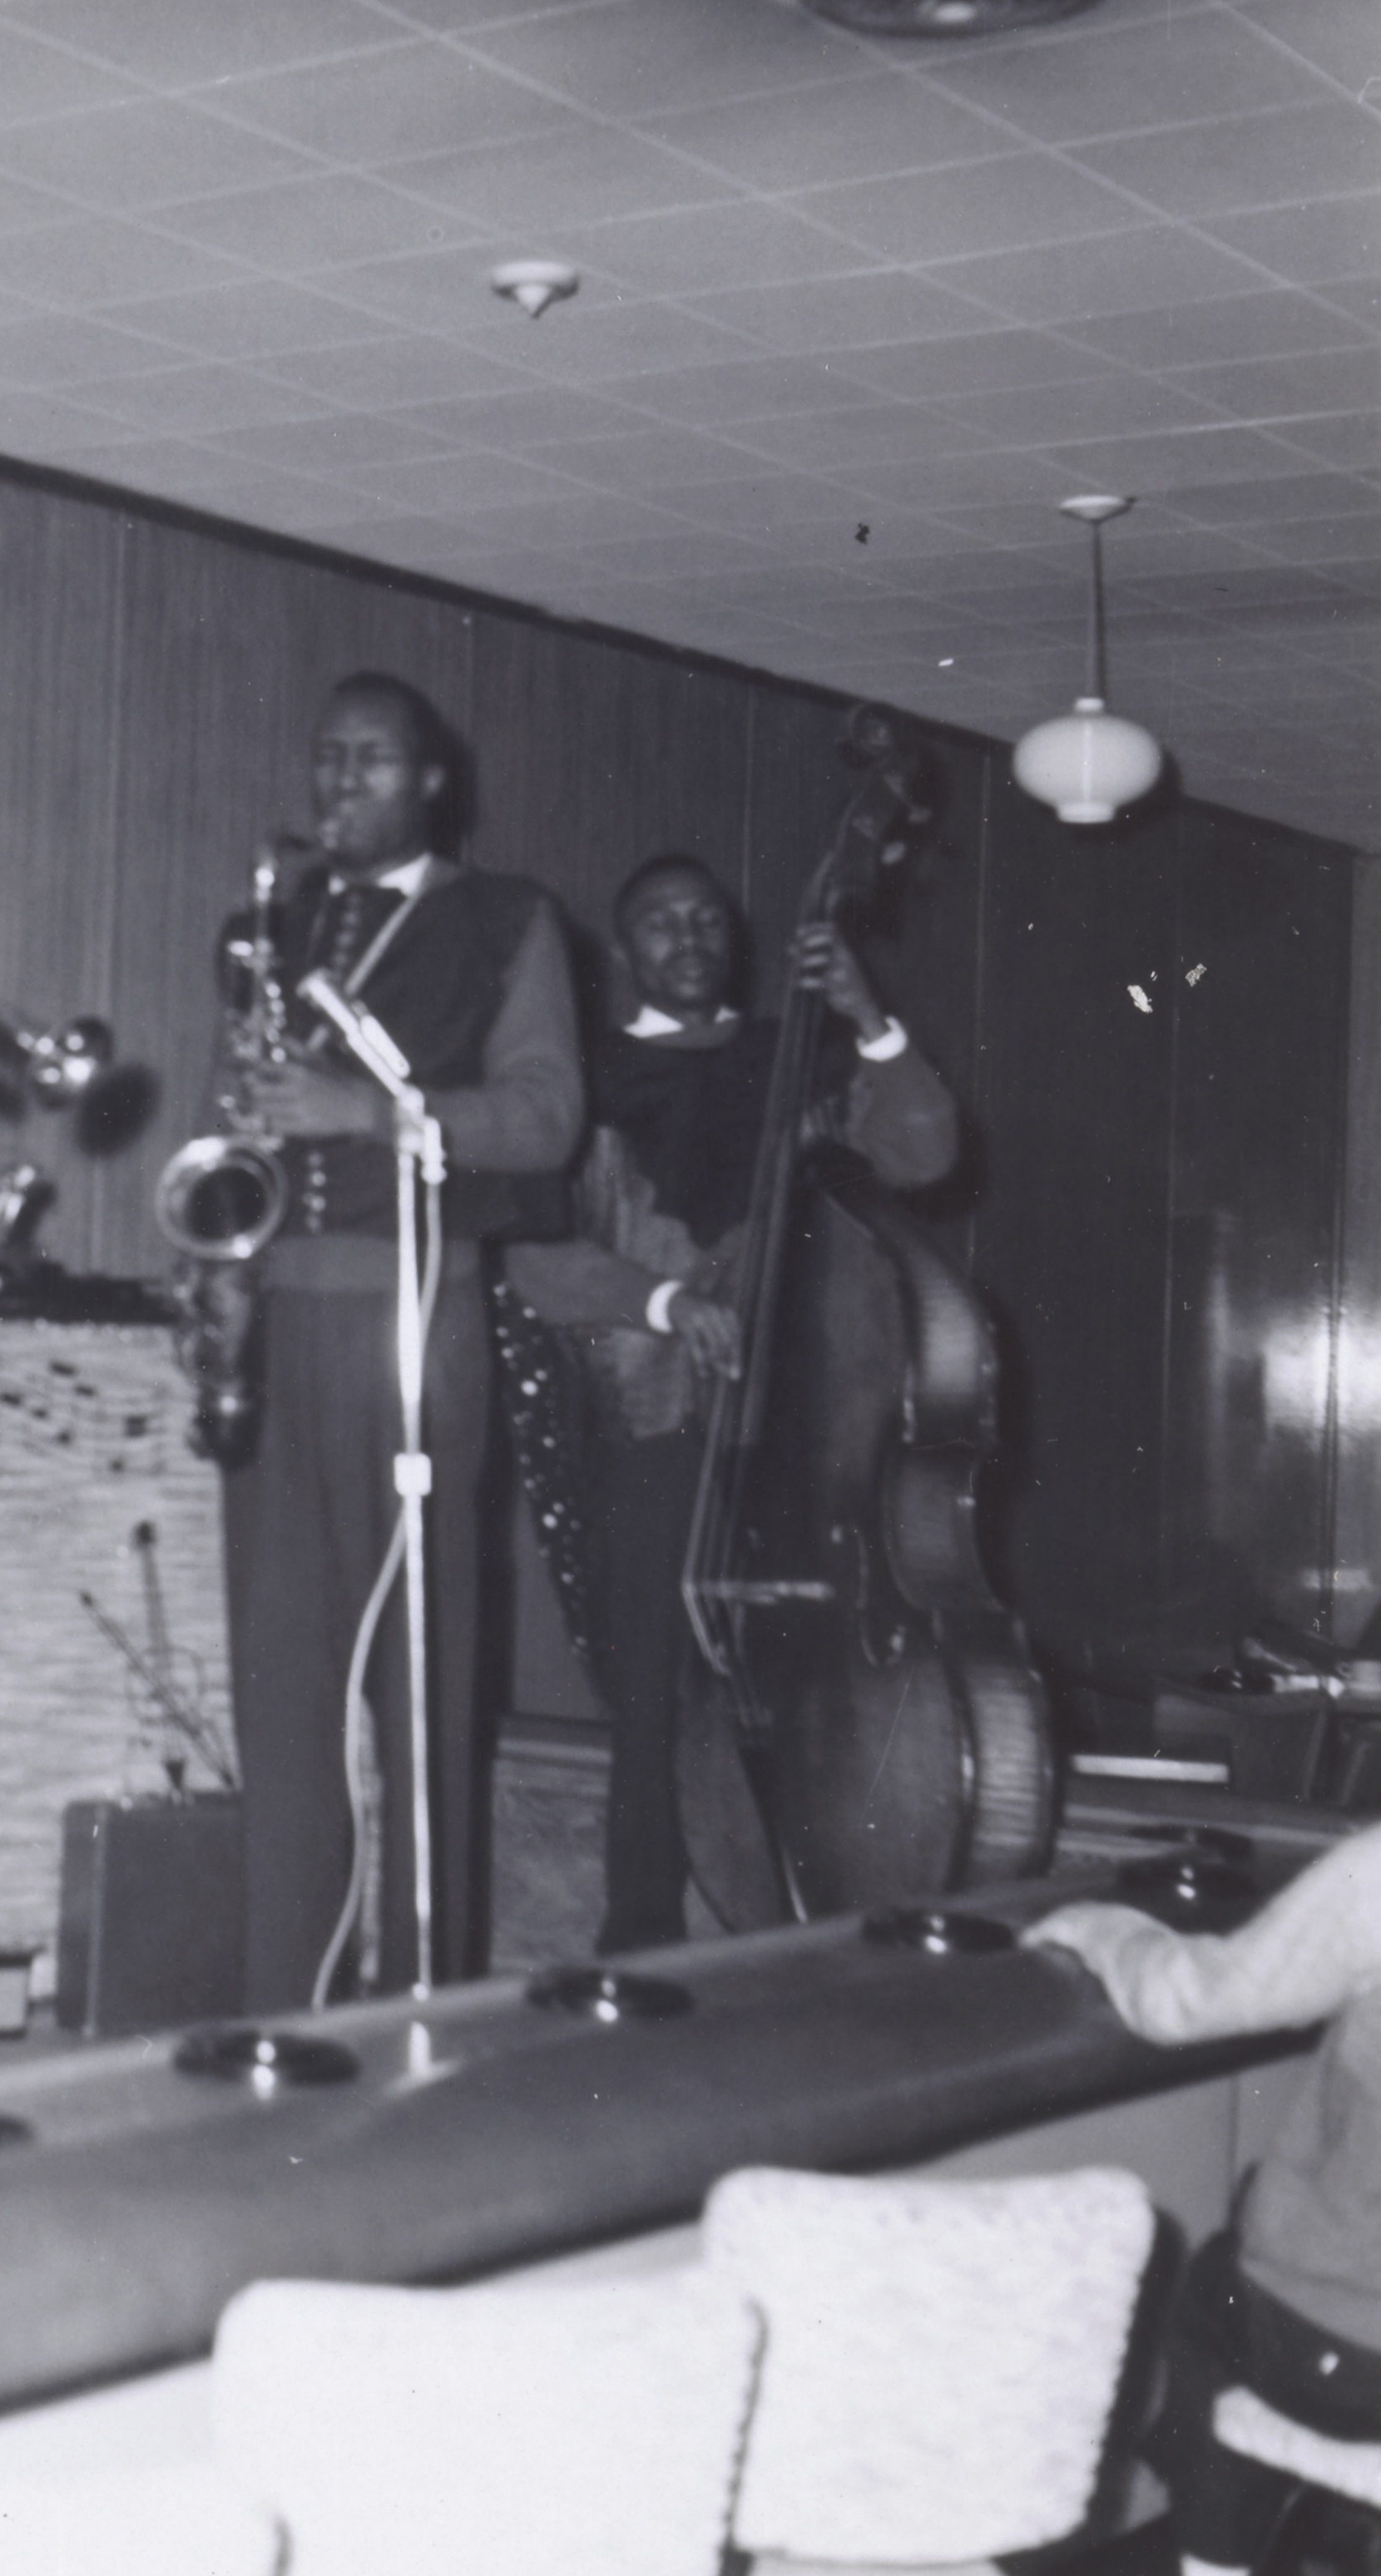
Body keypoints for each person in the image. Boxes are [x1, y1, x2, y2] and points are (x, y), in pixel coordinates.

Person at [502, 856, 957, 1955]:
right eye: (661, 922)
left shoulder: (795, 1057)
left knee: (815, 1683)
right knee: (654, 1694)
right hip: (651, 1421)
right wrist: (664, 1302)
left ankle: (819, 1920)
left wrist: (868, 1016)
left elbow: (927, 1151)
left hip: (799, 1431)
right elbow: (532, 1260)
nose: (690, 937)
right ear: (625, 952)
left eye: (707, 918)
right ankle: (640, 1936)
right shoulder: (584, 1082)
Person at [219, 671, 581, 2005]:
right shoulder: (276, 927)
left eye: (370, 758)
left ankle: (429, 1992)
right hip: (279, 1318)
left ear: (432, 781)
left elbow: (546, 1119)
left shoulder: (505, 920)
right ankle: (287, 2002)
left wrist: (373, 1113)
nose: (339, 780)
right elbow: (240, 1109)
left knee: (423, 1679)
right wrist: (220, 1266)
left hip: (418, 1312)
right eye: (327, 757)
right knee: (283, 1681)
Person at [1030, 1834, 1381, 2576]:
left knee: (1208, 2304)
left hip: (1340, 2359)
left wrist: (1101, 1926)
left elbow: (1183, 2002)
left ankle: (1213, 2563)